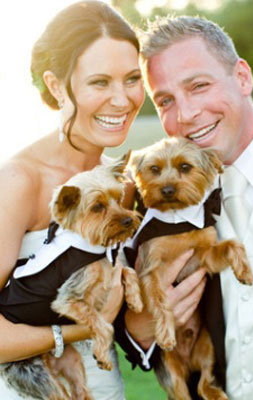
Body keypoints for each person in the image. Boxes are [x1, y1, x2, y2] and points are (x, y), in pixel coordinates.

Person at [0, 3, 206, 399]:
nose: (122, 100)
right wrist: (76, 331)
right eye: (99, 82)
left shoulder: (128, 184)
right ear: (57, 86)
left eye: (132, 79)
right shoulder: (19, 182)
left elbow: (129, 319)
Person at [116, 16, 253, 400]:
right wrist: (139, 327)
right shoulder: (147, 193)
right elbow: (129, 315)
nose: (184, 115)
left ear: (243, 77)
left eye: (198, 86)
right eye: (165, 100)